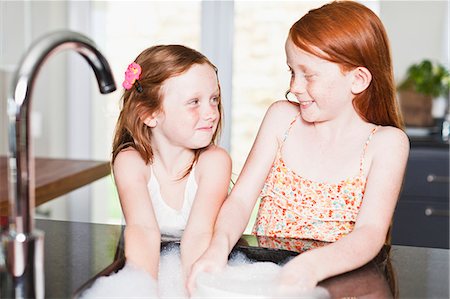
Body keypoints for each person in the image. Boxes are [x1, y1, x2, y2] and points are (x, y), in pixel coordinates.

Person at [188, 0, 409, 295]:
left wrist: (308, 268)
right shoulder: (282, 119)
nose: (295, 87)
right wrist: (218, 247)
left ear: (357, 79)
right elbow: (240, 200)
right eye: (292, 72)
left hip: (337, 286)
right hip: (267, 278)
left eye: (309, 75)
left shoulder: (387, 143)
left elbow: (369, 234)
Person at [111, 45, 231, 286]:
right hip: (147, 263)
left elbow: (199, 236)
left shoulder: (214, 162)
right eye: (194, 102)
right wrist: (144, 291)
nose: (211, 113)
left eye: (214, 99)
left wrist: (193, 292)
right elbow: (143, 231)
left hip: (199, 266)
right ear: (149, 114)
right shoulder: (131, 162)